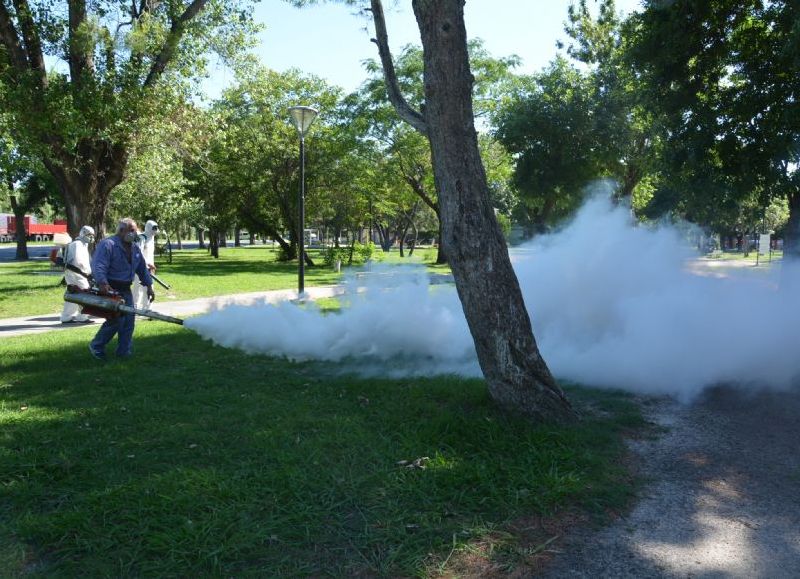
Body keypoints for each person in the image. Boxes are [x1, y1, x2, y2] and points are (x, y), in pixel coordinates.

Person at [89, 218, 155, 360]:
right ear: (121, 230)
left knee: (129, 322)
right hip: (111, 289)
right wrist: (102, 283)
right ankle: (96, 346)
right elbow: (98, 265)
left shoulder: (135, 248)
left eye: (135, 230)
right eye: (132, 230)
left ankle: (124, 352)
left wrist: (149, 286)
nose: (135, 233)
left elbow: (142, 269)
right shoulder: (108, 245)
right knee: (116, 321)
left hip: (126, 290)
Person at [60, 225, 95, 324]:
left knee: (73, 295)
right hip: (76, 273)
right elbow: (78, 261)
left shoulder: (82, 244)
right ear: (83, 233)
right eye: (89, 235)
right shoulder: (77, 244)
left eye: (92, 235)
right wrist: (85, 274)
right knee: (85, 294)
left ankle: (66, 317)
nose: (91, 237)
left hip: (76, 273)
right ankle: (82, 316)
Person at [133, 220, 159, 310]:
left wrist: (152, 265)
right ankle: (135, 307)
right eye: (154, 228)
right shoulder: (142, 238)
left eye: (156, 228)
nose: (156, 230)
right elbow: (138, 253)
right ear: (149, 227)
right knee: (138, 287)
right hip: (140, 266)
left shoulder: (152, 238)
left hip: (150, 267)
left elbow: (150, 254)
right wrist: (147, 263)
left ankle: (147, 307)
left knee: (149, 287)